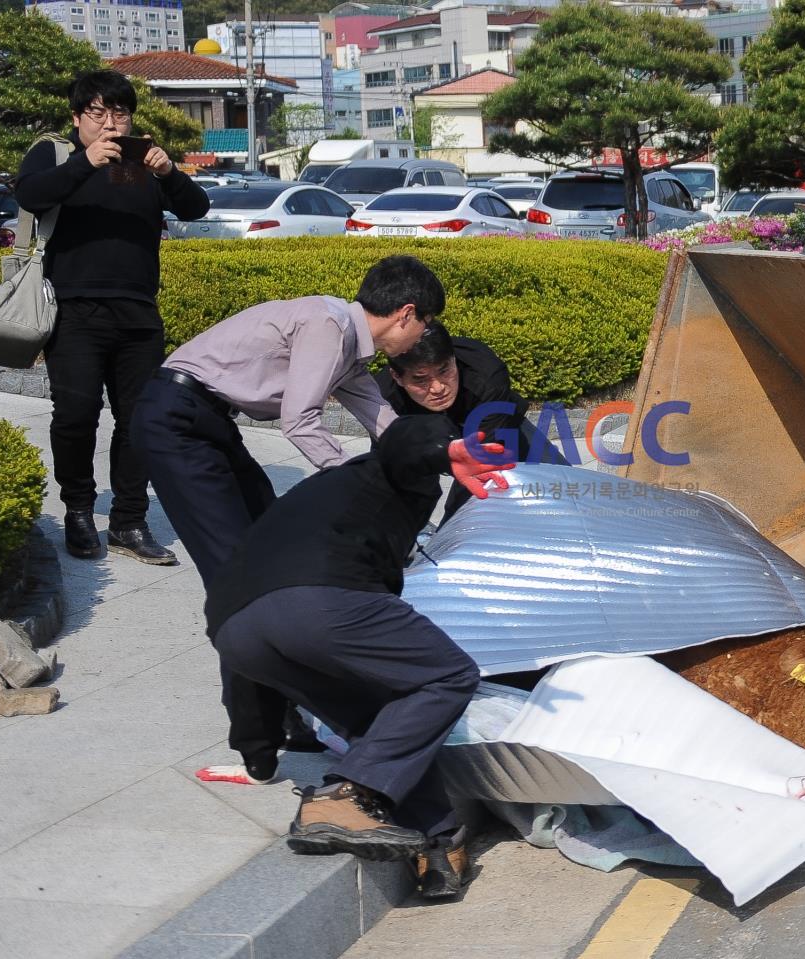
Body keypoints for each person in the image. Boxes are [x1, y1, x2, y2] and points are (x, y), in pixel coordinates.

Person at [130, 255, 440, 785]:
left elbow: (386, 427)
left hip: (208, 423)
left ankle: (286, 714)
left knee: (271, 559)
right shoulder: (327, 326)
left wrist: (440, 461)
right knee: (242, 584)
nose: (421, 341)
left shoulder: (348, 353)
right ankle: (259, 741)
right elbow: (300, 420)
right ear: (406, 314)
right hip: (174, 421)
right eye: (426, 328)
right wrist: (356, 481)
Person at [205, 414, 513, 897]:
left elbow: (251, 682)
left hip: (234, 630)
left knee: (381, 721)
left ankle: (437, 845)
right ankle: (339, 796)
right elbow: (404, 440)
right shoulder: (382, 471)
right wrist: (445, 448)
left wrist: (256, 749)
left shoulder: (318, 500)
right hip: (322, 598)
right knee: (447, 676)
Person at [15, 69, 209, 563]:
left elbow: (196, 208)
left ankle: (128, 520)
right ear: (78, 118)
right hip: (75, 310)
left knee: (139, 420)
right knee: (76, 417)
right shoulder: (56, 154)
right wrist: (85, 162)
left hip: (138, 313)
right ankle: (78, 511)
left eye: (118, 113)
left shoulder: (144, 161)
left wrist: (169, 173)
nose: (109, 123)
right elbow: (31, 196)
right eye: (97, 113)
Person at [375, 323, 568, 523]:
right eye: (421, 380)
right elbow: (389, 470)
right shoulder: (382, 397)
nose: (438, 388)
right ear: (397, 377)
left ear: (454, 359)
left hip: (492, 426)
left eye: (444, 371)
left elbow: (481, 463)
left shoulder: (487, 372)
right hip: (424, 433)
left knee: (566, 484)